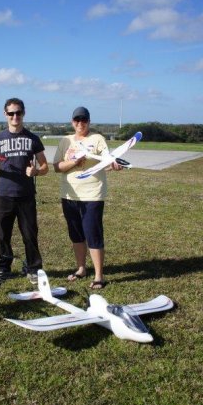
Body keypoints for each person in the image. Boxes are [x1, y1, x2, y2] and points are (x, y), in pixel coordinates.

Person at [52, 106, 123, 289]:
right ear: (72, 122)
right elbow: (57, 166)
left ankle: (99, 275)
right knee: (75, 234)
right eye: (77, 120)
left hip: (92, 194)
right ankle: (81, 268)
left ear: (89, 122)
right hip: (69, 194)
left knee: (93, 233)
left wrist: (113, 163)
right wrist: (74, 162)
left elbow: (107, 158)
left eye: (84, 120)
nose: (80, 123)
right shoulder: (65, 141)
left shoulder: (97, 139)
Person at [0, 97, 48, 284]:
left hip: (26, 196)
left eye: (18, 112)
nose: (15, 116)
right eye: (11, 113)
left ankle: (34, 268)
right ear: (5, 115)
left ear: (23, 113)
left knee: (30, 234)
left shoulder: (33, 139)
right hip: (4, 195)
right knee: (3, 234)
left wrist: (36, 171)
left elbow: (45, 167)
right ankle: (4, 268)